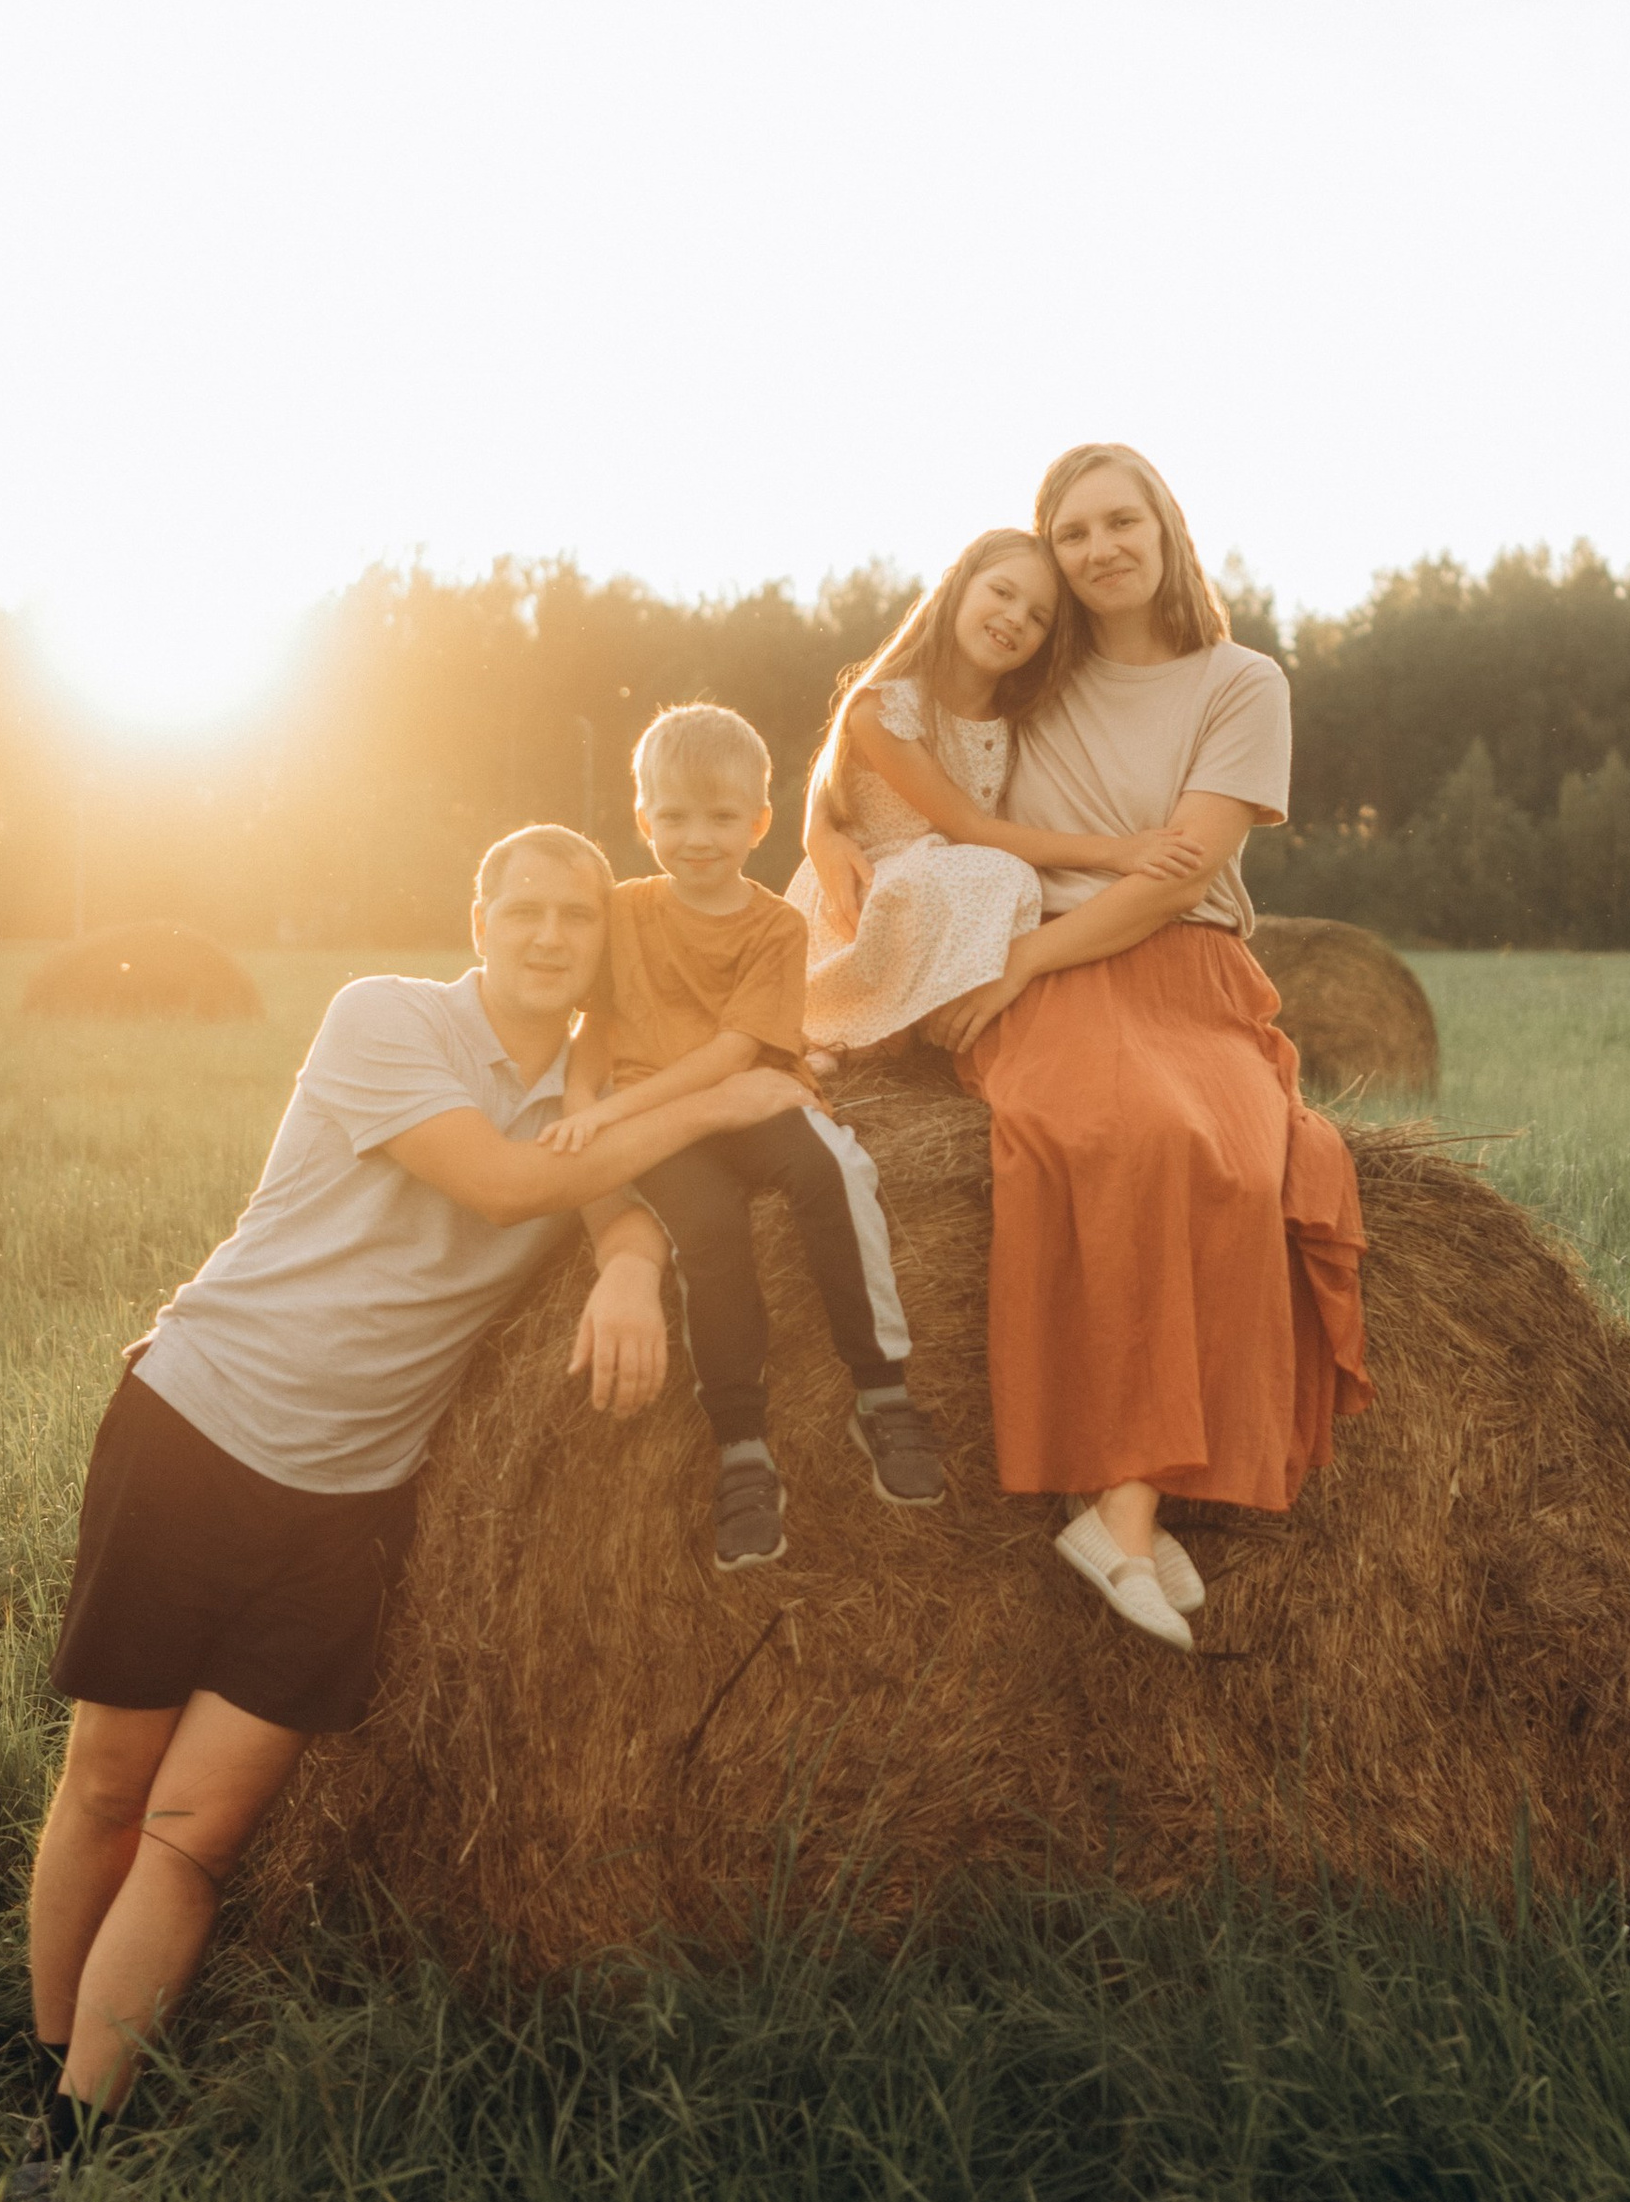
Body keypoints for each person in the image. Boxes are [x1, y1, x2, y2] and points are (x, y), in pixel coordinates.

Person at [8, 825, 814, 2202]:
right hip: (196, 1430)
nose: (554, 932)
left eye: (578, 914)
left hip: (349, 1508)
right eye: (528, 908)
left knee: (197, 1832)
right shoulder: (385, 1017)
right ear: (480, 914)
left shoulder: (591, 1092)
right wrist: (714, 1102)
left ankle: (72, 2143)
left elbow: (602, 1199)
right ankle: (34, 2059)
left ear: (598, 940)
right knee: (110, 1784)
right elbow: (508, 1186)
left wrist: (630, 1270)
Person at [810, 446, 1369, 1652]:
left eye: (1120, 522)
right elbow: (885, 716)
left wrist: (1015, 971)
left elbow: (1179, 877)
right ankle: (1118, 1509)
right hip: (1046, 957)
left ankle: (1124, 1504)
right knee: (1110, 1132)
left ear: (1163, 528)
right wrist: (819, 824)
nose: (1098, 549)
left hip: (1173, 967)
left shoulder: (1242, 681)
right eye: (1072, 535)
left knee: (1227, 1152)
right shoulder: (1033, 671)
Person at [541, 701, 943, 1569]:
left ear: (759, 823)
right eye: (675, 816)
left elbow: (733, 1053)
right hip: (663, 1125)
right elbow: (596, 1032)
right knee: (711, 1233)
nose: (697, 837)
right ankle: (741, 1449)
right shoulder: (623, 912)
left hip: (753, 1095)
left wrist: (613, 1112)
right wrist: (584, 1101)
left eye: (721, 817)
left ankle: (882, 1393)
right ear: (644, 819)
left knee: (832, 1172)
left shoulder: (776, 926)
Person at [785, 525, 1208, 1064]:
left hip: (938, 886)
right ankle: (847, 1034)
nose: (1015, 618)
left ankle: (919, 1030)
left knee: (992, 880)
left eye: (1038, 618)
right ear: (958, 587)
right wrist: (1120, 851)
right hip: (872, 889)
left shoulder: (1018, 717)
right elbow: (971, 828)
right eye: (1002, 593)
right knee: (999, 874)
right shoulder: (886, 710)